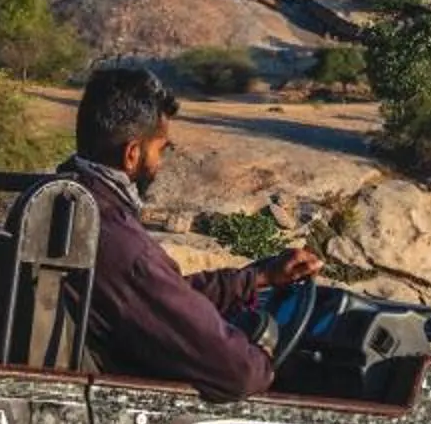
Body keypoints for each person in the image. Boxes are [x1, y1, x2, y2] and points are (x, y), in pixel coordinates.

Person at [64, 66, 320, 401]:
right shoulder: (117, 240)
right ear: (132, 154)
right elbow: (237, 373)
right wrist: (262, 356)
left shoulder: (64, 203)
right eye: (160, 150)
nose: (160, 163)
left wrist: (258, 277)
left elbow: (165, 295)